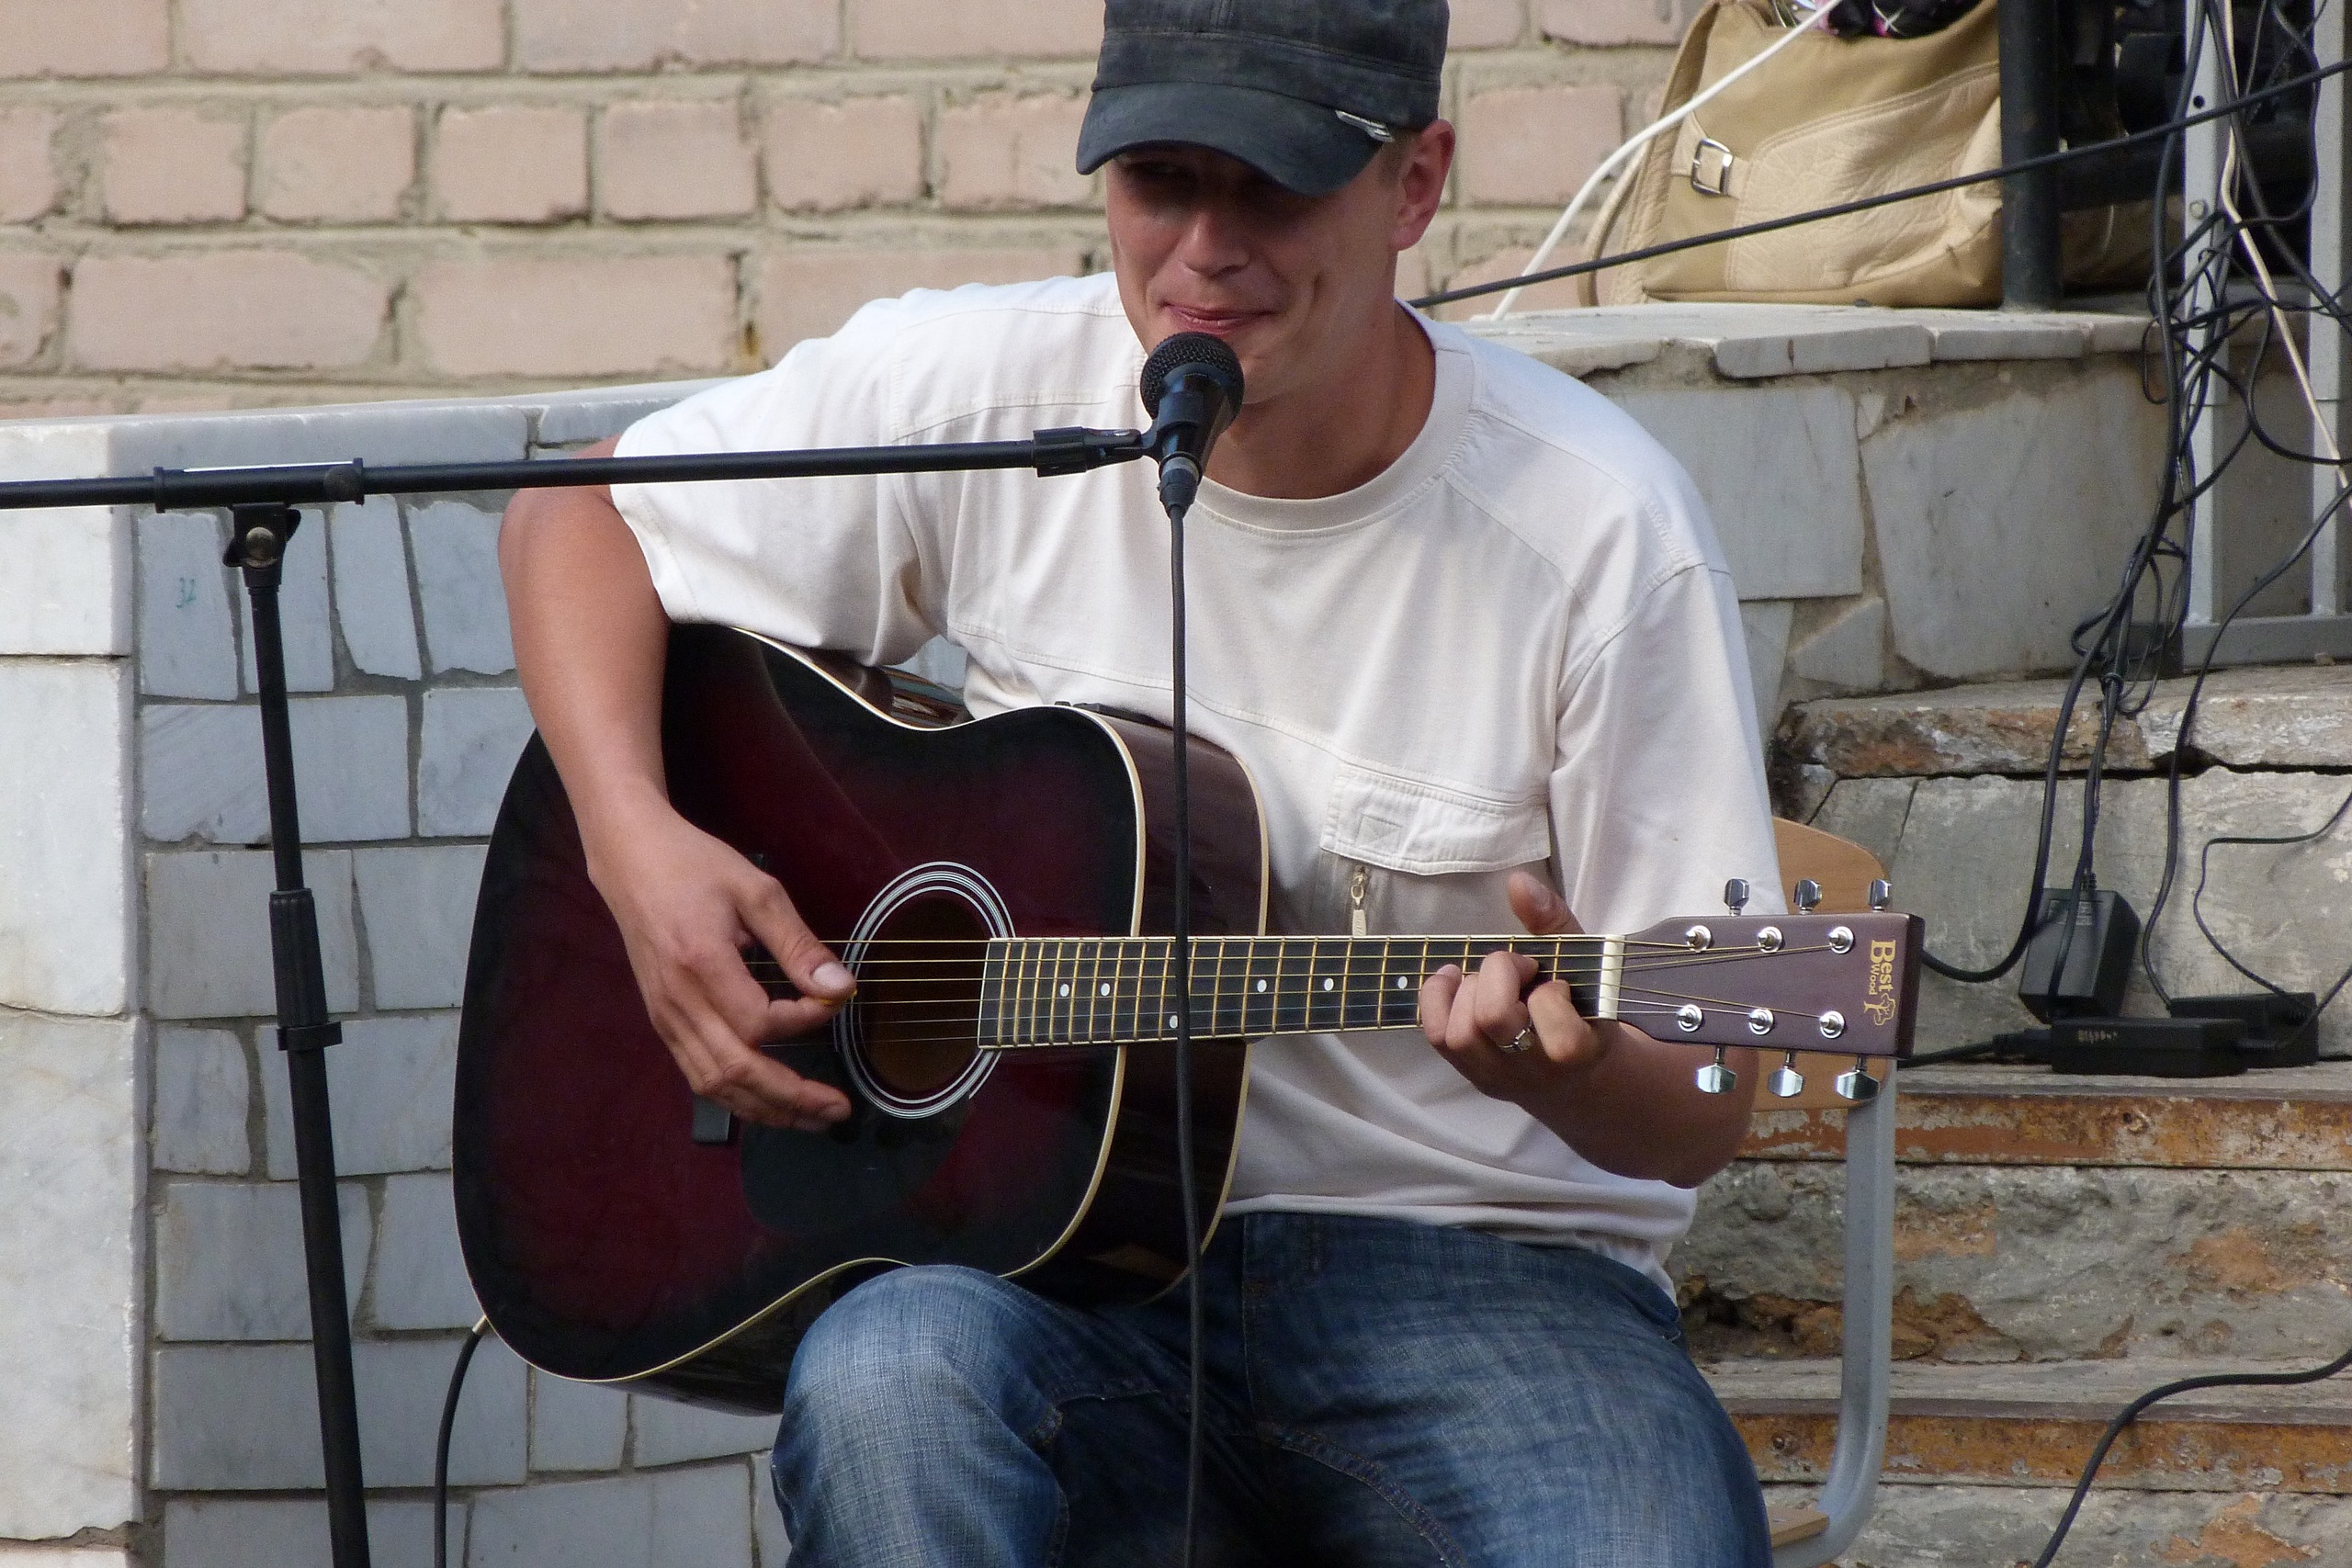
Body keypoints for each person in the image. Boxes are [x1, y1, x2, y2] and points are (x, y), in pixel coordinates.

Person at [500, 2, 1784, 1562]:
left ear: (1416, 184)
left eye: (1273, 189)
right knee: (892, 1385)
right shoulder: (987, 393)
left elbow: (1708, 1100)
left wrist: (1562, 1074)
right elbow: (580, 519)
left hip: (1485, 1276)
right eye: (1160, 181)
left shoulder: (1599, 528)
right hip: (1049, 1266)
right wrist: (636, 849)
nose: (1205, 251)